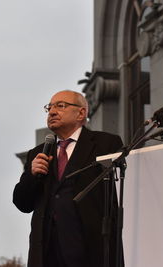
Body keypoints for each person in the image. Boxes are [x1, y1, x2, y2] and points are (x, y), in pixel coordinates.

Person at [13, 90, 124, 267]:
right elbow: (22, 203)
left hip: (89, 249)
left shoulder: (106, 144)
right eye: (49, 107)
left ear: (81, 113)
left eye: (60, 106)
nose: (52, 111)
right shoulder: (39, 152)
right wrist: (32, 176)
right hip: (47, 252)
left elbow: (115, 197)